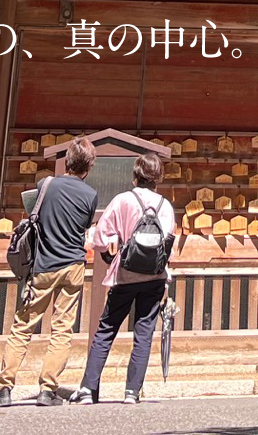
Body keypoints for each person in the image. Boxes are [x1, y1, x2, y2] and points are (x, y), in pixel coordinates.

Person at [0, 140, 99, 407]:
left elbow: (36, 215)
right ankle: (48, 389)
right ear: (89, 166)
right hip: (73, 267)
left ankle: (3, 388)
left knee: (23, 326)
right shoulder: (90, 196)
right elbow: (84, 226)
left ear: (67, 161)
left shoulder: (47, 185)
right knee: (62, 329)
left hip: (44, 265)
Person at [73, 150, 176, 404]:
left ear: (135, 176)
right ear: (158, 178)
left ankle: (88, 388)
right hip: (154, 277)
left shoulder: (122, 201)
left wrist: (112, 250)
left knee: (106, 329)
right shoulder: (166, 206)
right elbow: (169, 244)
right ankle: (132, 392)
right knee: (144, 333)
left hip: (125, 275)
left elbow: (100, 238)